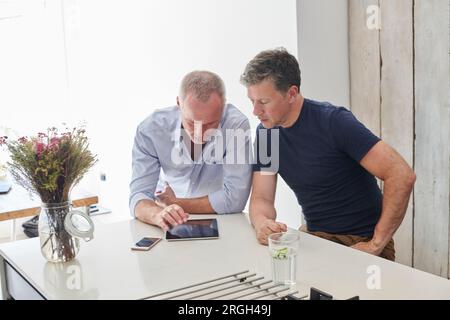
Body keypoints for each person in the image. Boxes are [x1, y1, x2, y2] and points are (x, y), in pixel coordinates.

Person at [240, 48, 416, 261]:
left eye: (264, 102)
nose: (255, 111)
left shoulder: (333, 122)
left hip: (359, 239)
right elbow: (262, 198)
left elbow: (401, 174)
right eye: (252, 101)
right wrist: (261, 222)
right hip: (316, 237)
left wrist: (376, 244)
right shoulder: (267, 135)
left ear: (292, 94)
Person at [129, 71, 252, 230]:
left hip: (221, 223)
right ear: (178, 103)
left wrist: (175, 203)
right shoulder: (151, 130)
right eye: (191, 123)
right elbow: (138, 197)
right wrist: (157, 214)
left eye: (210, 124)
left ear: (223, 106)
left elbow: (235, 199)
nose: (200, 133)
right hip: (165, 223)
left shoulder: (236, 125)